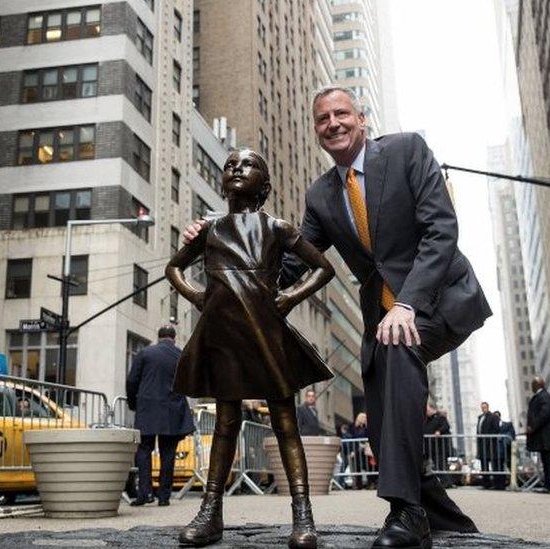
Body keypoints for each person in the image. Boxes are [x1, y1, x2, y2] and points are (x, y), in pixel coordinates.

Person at [183, 86, 490, 548]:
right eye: (323, 119)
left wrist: (407, 304)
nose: (334, 124)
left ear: (361, 119)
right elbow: (289, 264)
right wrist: (218, 243)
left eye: (342, 114)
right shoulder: (323, 195)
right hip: (380, 317)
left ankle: (406, 514)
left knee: (399, 348)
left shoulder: (407, 151)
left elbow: (441, 229)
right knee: (382, 419)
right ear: (317, 131)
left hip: (438, 300)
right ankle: (443, 518)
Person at [167, 148, 335, 548]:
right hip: (223, 335)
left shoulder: (276, 227)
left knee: (285, 422)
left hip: (267, 334)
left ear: (265, 185)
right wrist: (196, 295)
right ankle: (211, 512)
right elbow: (173, 267)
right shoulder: (210, 230)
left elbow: (322, 267)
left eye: (248, 165)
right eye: (229, 165)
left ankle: (303, 515)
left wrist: (291, 297)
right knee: (226, 423)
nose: (236, 169)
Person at [125, 325, 196, 507]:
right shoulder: (181, 355)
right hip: (172, 409)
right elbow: (189, 382)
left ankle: (144, 494)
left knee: (143, 451)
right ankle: (164, 497)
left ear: (158, 337)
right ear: (174, 338)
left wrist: (133, 403)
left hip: (147, 408)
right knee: (168, 453)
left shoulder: (145, 353)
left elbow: (132, 380)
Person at [526, 377, 550, 492]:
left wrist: (533, 426)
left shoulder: (544, 396)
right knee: (546, 461)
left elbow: (544, 414)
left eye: (533, 384)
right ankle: (549, 485)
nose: (531, 387)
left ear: (538, 385)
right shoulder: (541, 396)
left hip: (546, 436)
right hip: (543, 437)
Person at [423, 404, 453, 488]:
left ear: (432, 409)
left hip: (440, 447)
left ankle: (447, 482)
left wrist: (439, 431)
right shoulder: (427, 420)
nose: (425, 411)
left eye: (427, 409)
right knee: (436, 465)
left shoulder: (441, 417)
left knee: (441, 465)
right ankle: (445, 482)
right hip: (430, 447)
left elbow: (446, 426)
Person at [475, 402, 502, 489]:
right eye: (482, 407)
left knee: (494, 464)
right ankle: (486, 483)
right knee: (484, 465)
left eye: (485, 407)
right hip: (482, 445)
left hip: (490, 444)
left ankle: (496, 484)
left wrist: (489, 438)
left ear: (488, 407)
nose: (483, 409)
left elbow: (496, 429)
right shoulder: (480, 417)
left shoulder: (493, 417)